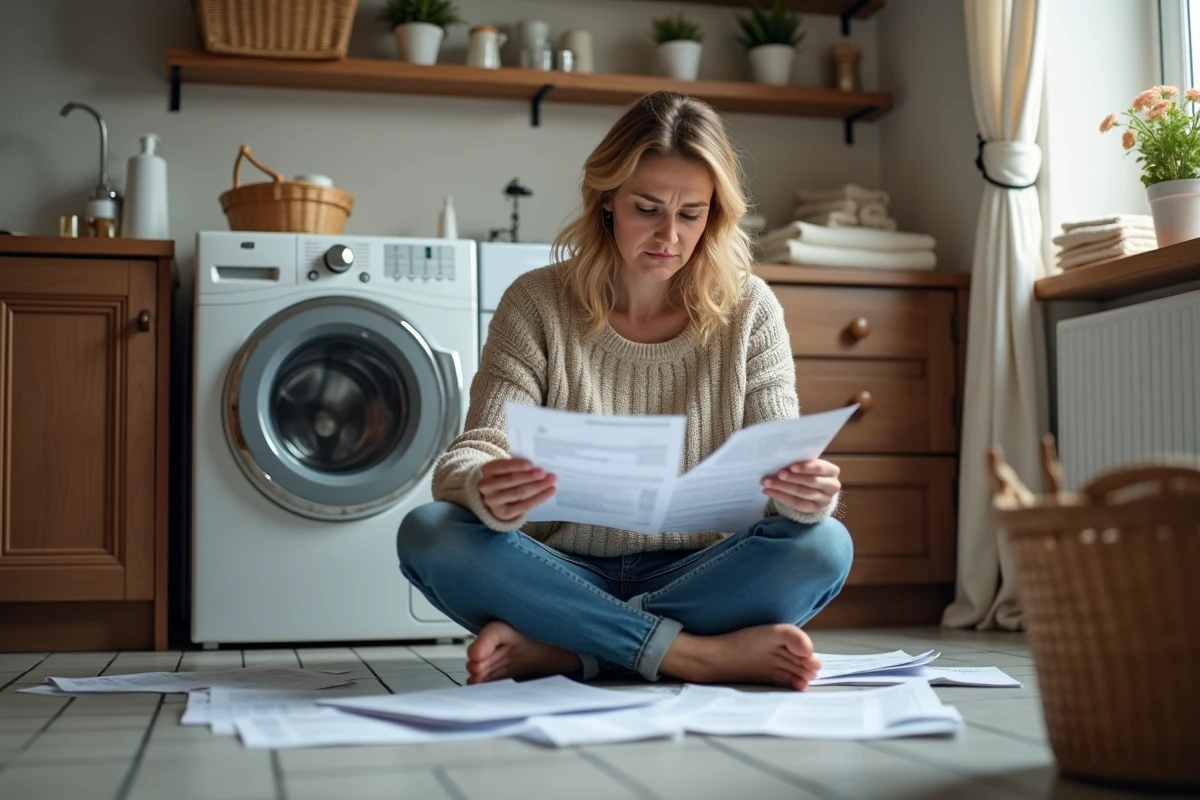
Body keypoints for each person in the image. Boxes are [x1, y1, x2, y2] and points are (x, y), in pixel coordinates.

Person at [397, 90, 852, 691]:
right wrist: (483, 485)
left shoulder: (750, 309)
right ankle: (696, 657)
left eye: (691, 214)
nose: (670, 235)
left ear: (714, 215)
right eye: (648, 208)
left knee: (824, 546)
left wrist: (804, 492)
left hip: (699, 572)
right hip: (559, 570)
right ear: (606, 200)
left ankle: (571, 650)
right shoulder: (535, 302)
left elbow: (778, 468)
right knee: (430, 533)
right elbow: (474, 448)